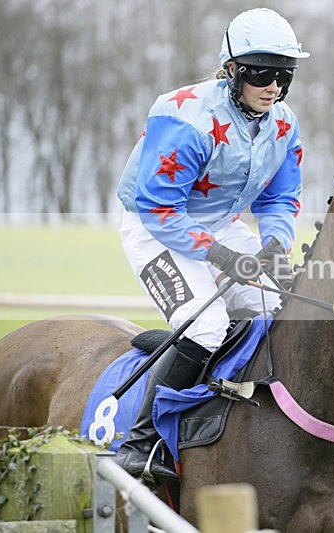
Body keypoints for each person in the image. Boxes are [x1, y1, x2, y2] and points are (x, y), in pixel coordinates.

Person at [114, 8, 309, 482]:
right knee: (205, 326)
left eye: (284, 74)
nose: (274, 86)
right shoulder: (184, 116)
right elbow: (160, 211)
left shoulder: (283, 124)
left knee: (277, 310)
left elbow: (281, 197)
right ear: (233, 69)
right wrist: (223, 257)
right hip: (154, 223)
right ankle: (139, 443)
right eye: (261, 72)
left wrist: (275, 246)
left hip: (219, 224)